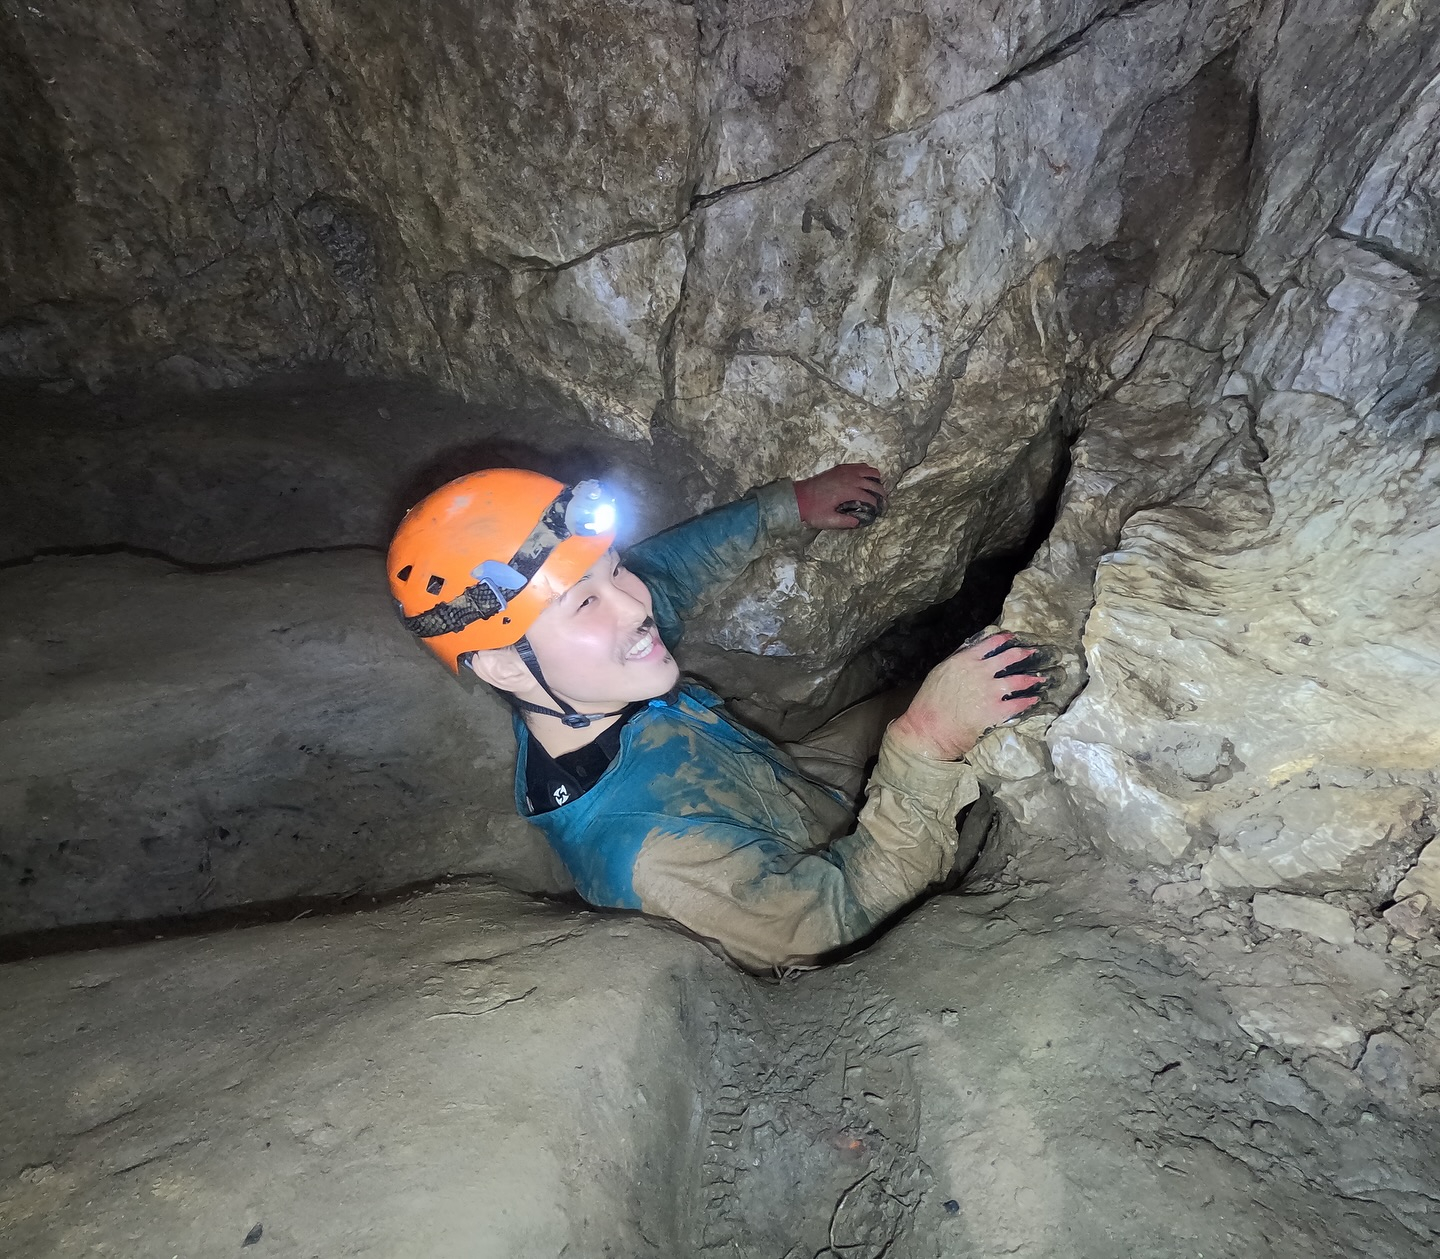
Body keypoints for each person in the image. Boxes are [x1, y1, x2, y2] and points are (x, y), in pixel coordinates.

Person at [387, 464, 1043, 971]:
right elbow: (843, 922)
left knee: (913, 687)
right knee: (970, 725)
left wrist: (788, 507)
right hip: (828, 867)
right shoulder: (653, 856)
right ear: (500, 666)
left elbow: (666, 572)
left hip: (794, 780)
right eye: (585, 603)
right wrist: (925, 744)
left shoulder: (579, 686)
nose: (634, 604)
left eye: (613, 569)